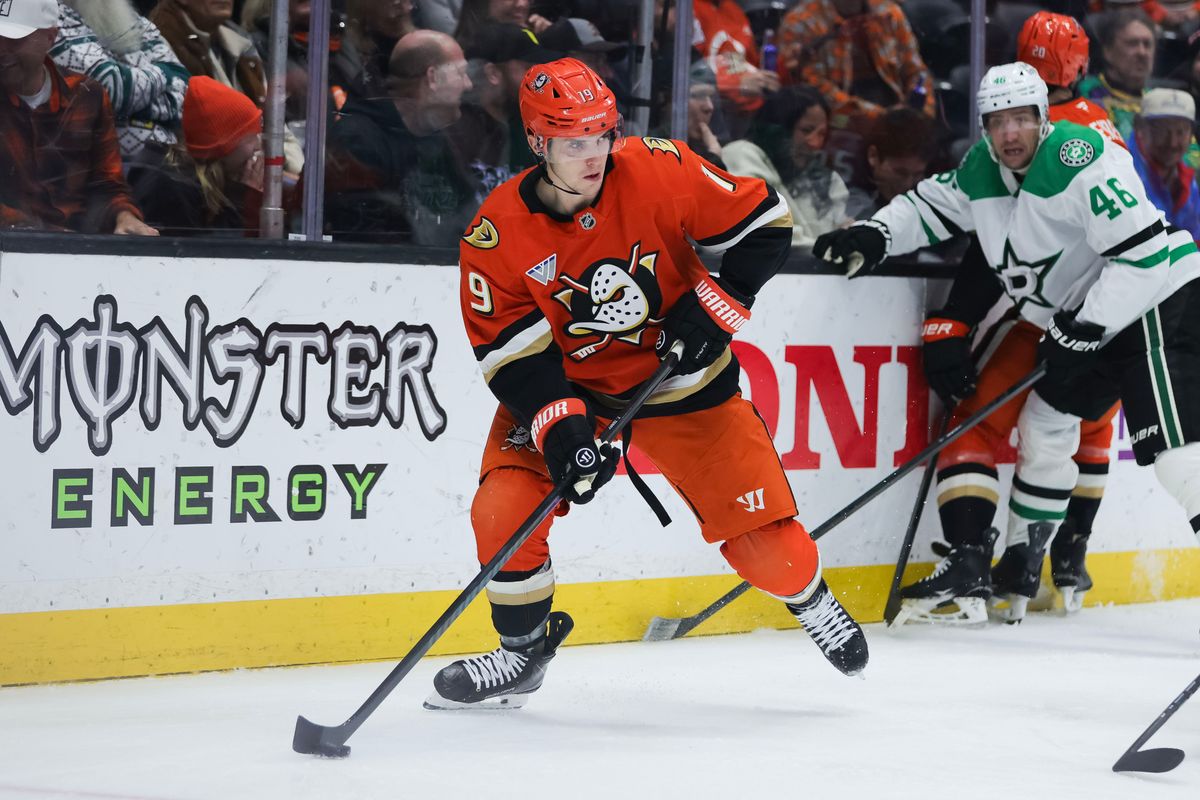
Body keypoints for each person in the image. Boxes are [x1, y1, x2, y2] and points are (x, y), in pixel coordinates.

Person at [428, 57, 868, 710]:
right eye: (575, 142)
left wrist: (715, 306)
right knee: (502, 508)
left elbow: (766, 223)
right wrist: (563, 432)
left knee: (772, 555)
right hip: (575, 390)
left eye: (602, 136)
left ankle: (811, 599)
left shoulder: (658, 168)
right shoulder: (497, 233)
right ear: (538, 143)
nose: (594, 155)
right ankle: (521, 655)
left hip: (685, 386)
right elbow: (509, 354)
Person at [813, 63, 1200, 628]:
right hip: (1092, 315)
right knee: (1045, 424)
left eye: (1022, 118)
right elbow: (929, 206)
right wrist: (877, 233)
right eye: (998, 122)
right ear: (985, 127)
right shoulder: (983, 169)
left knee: (1176, 456)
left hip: (1156, 298)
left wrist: (1084, 327)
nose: (1011, 132)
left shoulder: (1078, 156)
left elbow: (1143, 256)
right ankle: (1022, 562)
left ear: (1043, 118)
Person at [1, 0, 157, 235]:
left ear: (50, 37)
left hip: (78, 246)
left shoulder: (88, 95)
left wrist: (124, 217)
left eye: (14, 40)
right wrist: (42, 234)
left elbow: (107, 183)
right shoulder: (85, 95)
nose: (2, 49)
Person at [324, 29, 474, 244]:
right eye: (460, 73)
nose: (468, 84)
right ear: (433, 77)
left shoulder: (434, 137)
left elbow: (469, 214)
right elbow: (363, 240)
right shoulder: (357, 140)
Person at [128, 75, 273, 234]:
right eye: (250, 138)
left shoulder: (207, 181)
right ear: (224, 146)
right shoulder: (172, 190)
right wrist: (245, 200)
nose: (257, 146)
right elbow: (216, 248)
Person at [50, 0, 189, 158]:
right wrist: (164, 73)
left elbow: (185, 86)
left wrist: (129, 107)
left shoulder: (132, 17)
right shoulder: (53, 19)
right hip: (106, 165)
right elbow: (109, 89)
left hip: (166, 161)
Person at [445, 22, 562, 201]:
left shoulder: (531, 127)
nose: (540, 80)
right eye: (527, 68)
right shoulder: (455, 131)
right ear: (493, 73)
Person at [722, 86, 849, 249]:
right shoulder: (742, 155)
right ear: (778, 129)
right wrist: (825, 249)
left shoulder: (825, 181)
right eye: (806, 130)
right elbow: (763, 232)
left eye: (821, 134)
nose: (815, 143)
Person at [692, 0, 778, 137]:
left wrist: (783, 66)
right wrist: (736, 85)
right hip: (712, 113)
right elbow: (688, 74)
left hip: (748, 115)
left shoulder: (733, 9)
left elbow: (750, 63)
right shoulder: (690, 8)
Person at [843, 107, 937, 220]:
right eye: (900, 173)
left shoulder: (928, 188)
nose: (907, 184)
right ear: (873, 156)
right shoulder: (846, 194)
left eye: (917, 174)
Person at [1130, 88, 1200, 240]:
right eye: (1162, 131)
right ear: (1140, 128)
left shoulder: (1187, 170)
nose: (1172, 143)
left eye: (1181, 132)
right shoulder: (1124, 170)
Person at [1078, 9, 1156, 142]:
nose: (1142, 52)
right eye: (1132, 43)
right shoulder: (1083, 94)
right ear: (1107, 51)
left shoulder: (1158, 100)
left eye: (1147, 44)